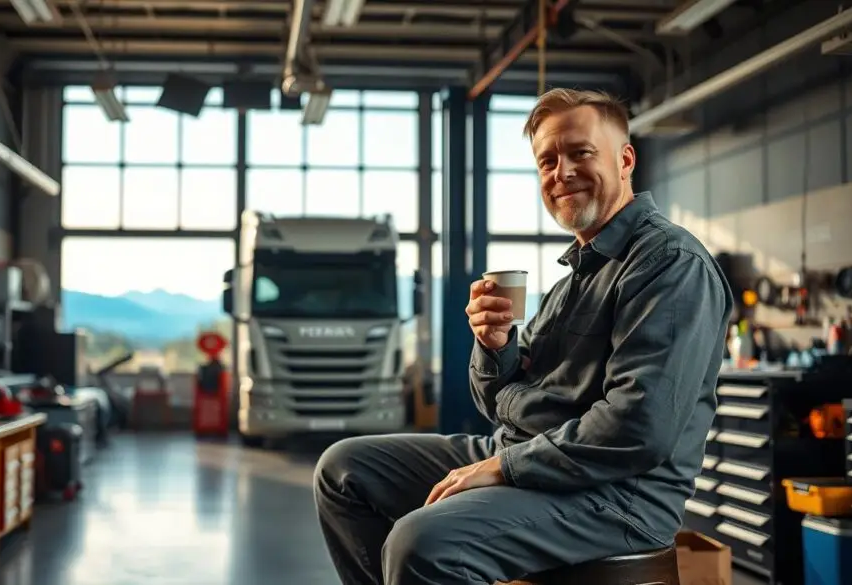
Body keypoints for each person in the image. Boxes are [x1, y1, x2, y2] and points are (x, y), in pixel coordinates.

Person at [312, 88, 733, 585]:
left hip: (617, 496)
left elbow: (638, 429)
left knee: (421, 544)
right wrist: (494, 346)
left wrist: (504, 466)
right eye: (547, 161)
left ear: (625, 161)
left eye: (580, 153)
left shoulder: (669, 263)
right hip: (527, 455)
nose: (562, 172)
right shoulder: (571, 282)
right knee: (343, 471)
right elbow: (497, 404)